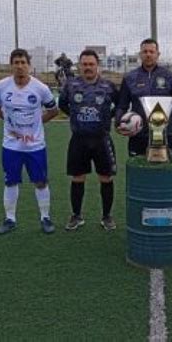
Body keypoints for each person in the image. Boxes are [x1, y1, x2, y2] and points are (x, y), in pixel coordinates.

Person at [0, 48, 59, 235]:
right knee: (10, 182)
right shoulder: (1, 87)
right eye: (16, 63)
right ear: (11, 65)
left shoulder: (41, 89)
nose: (20, 66)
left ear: (29, 65)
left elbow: (53, 111)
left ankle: (45, 217)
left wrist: (36, 125)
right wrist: (10, 123)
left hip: (35, 146)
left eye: (23, 63)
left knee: (40, 182)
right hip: (11, 145)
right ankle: (10, 219)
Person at [58, 49, 119, 231]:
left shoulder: (108, 86)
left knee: (106, 177)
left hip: (102, 139)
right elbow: (62, 104)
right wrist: (75, 116)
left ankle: (106, 216)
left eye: (91, 64)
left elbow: (121, 104)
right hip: (79, 139)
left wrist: (109, 116)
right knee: (78, 178)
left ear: (97, 66)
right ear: (79, 66)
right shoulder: (71, 85)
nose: (88, 67)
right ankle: (76, 216)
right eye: (84, 64)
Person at [115, 38, 172, 156]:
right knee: (138, 171)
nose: (148, 55)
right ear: (140, 54)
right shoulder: (130, 77)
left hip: (164, 135)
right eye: (145, 52)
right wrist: (119, 122)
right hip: (138, 135)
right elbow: (122, 105)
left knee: (165, 171)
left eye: (151, 52)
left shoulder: (169, 76)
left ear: (158, 54)